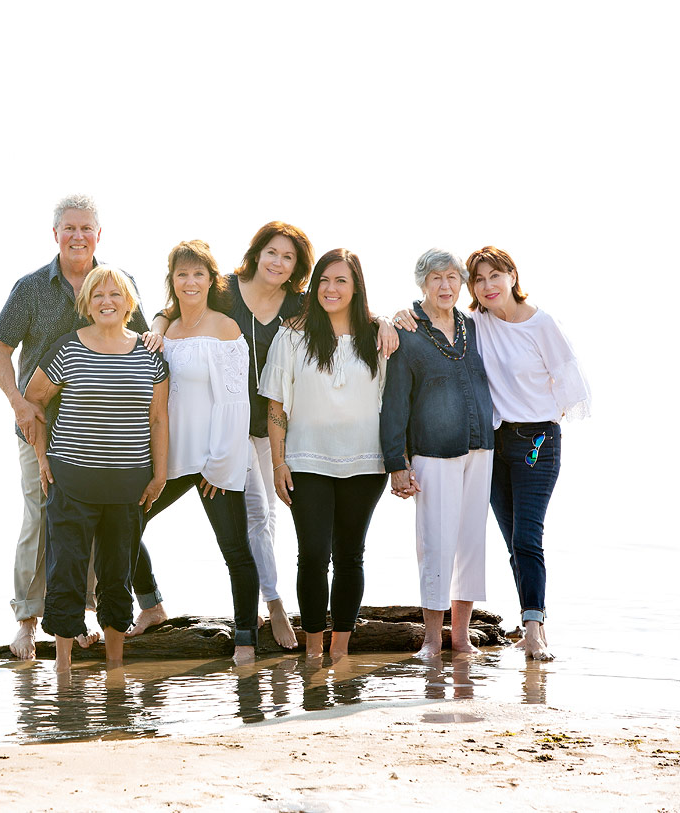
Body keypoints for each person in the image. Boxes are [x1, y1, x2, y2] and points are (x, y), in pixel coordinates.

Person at [144, 223, 399, 647]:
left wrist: (388, 318)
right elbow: (176, 306)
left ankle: (277, 609)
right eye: (272, 253)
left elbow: (346, 307)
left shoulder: (299, 303)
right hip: (230, 426)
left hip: (279, 429)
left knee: (270, 519)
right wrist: (155, 323)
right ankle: (275, 606)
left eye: (288, 258)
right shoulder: (225, 289)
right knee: (257, 515)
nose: (278, 263)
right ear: (257, 253)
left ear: (297, 268)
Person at [0, 194, 167, 659]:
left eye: (86, 228)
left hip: (106, 436)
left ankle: (86, 614)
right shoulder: (30, 288)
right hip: (41, 426)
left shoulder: (114, 283)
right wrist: (19, 404)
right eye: (69, 228)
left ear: (99, 234)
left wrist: (155, 335)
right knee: (40, 519)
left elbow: (142, 336)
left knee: (100, 527)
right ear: (55, 234)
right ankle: (27, 621)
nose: (78, 236)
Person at [398, 247, 589, 661]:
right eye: (479, 279)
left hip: (537, 442)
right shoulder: (476, 324)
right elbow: (432, 317)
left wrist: (543, 415)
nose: (487, 286)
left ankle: (535, 629)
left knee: (526, 536)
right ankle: (522, 623)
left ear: (512, 277)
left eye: (495, 277)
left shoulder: (542, 324)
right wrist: (391, 318)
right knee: (509, 541)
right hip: (493, 445)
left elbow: (572, 386)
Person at [22, 266, 169, 671]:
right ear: (86, 303)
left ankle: (115, 668)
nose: (107, 301)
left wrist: (160, 474)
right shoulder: (67, 349)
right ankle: (63, 667)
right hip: (71, 480)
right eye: (98, 295)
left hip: (129, 484)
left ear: (129, 303)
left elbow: (159, 419)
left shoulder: (150, 354)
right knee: (66, 572)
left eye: (115, 295)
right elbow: (32, 403)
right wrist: (41, 458)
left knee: (117, 574)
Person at [131, 239, 260, 664]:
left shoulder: (225, 328)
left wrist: (220, 465)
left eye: (198, 274)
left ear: (210, 280)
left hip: (212, 460)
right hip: (170, 459)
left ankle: (245, 637)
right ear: (173, 280)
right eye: (182, 274)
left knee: (235, 550)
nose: (190, 282)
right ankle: (151, 606)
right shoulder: (165, 330)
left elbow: (234, 402)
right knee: (122, 524)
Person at [258, 248, 387, 660]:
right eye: (324, 281)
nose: (331, 289)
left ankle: (340, 650)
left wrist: (390, 322)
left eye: (341, 281)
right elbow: (276, 406)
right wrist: (279, 462)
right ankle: (313, 648)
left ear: (356, 287)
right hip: (306, 461)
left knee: (351, 555)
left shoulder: (377, 337)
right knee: (313, 555)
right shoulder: (293, 335)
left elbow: (393, 401)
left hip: (367, 462)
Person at [380, 248, 495, 659]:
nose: (445, 286)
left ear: (461, 283)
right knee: (435, 545)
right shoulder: (407, 333)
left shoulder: (474, 326)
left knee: (471, 544)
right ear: (422, 284)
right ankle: (432, 638)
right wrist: (397, 463)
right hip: (433, 452)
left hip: (480, 448)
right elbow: (394, 403)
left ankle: (460, 637)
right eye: (435, 279)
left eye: (452, 278)